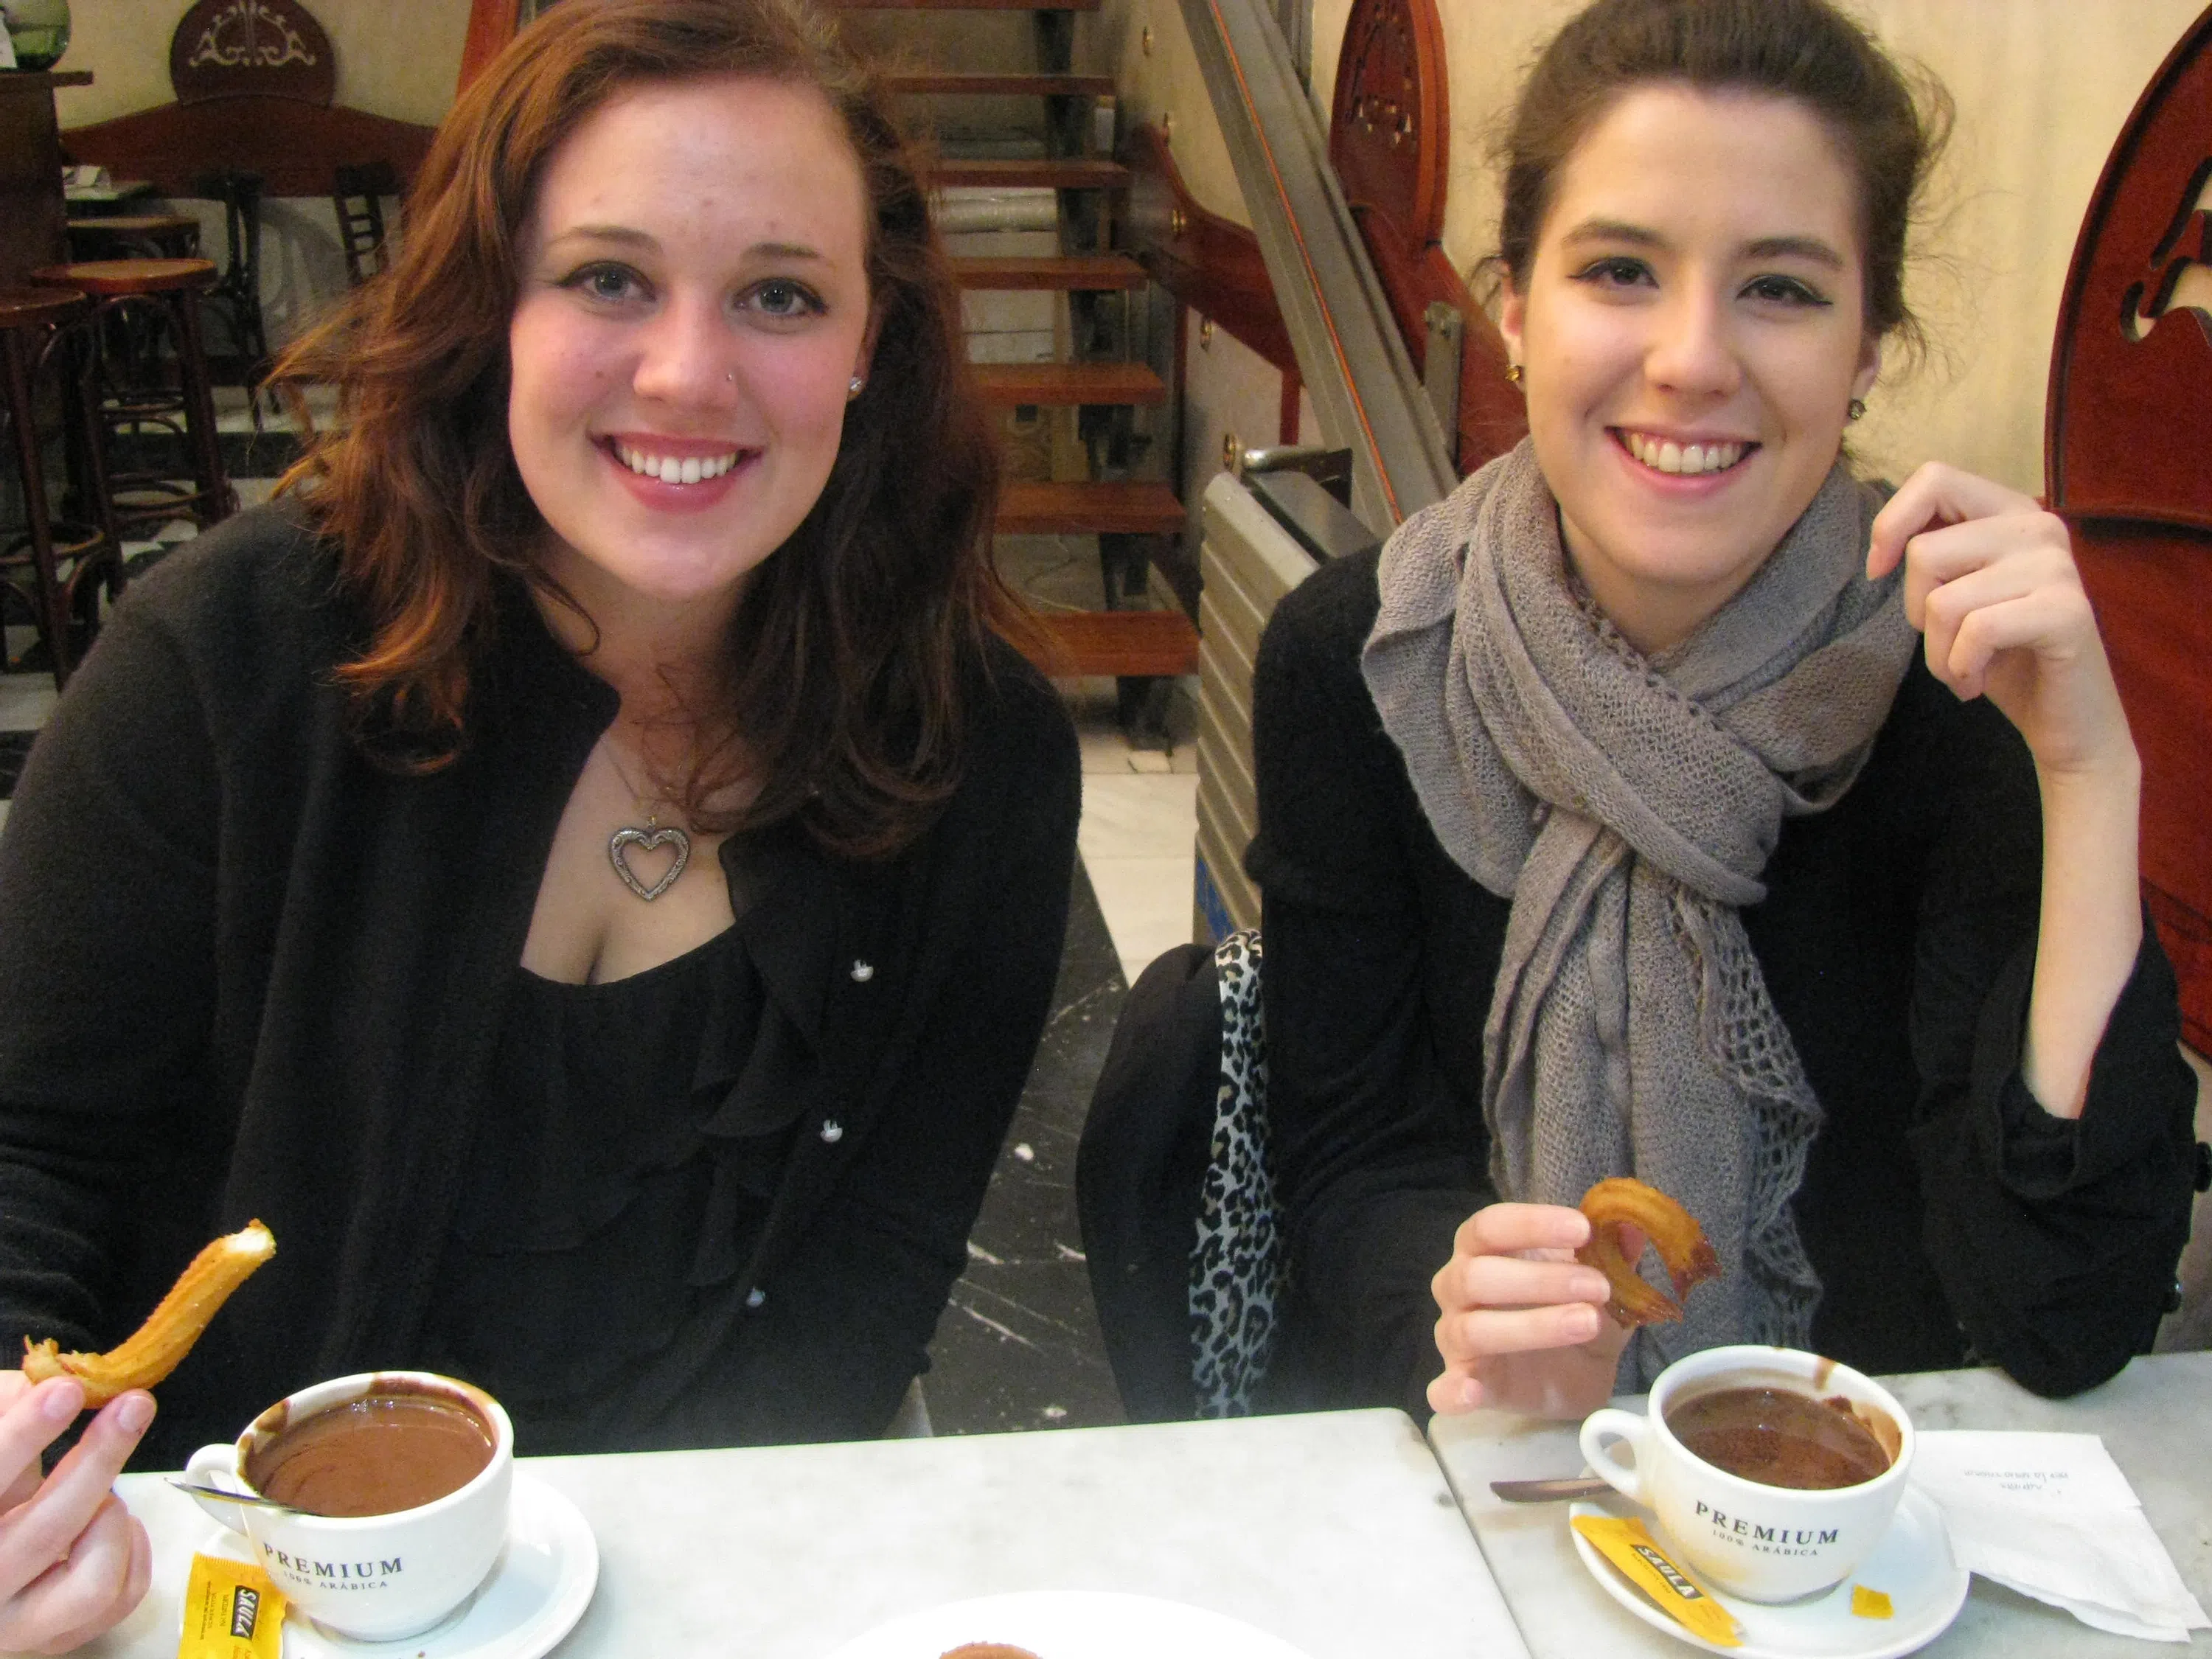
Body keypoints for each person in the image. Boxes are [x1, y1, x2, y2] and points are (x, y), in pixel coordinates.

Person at [0, 0, 1079, 1644]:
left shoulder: (977, 747)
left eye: (780, 294)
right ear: (492, 302)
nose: (687, 372)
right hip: (224, 1591)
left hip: (709, 1579)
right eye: (607, 278)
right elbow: (26, 1163)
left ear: (873, 340)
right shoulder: (223, 666)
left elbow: (879, 1257)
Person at [1250, 0, 2198, 1427]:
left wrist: (2090, 766)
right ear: (1515, 309)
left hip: (1864, 1517)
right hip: (1488, 1484)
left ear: (1870, 345)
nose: (1694, 359)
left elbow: (2061, 1313)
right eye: (1621, 270)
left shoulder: (1953, 682)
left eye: (1783, 290)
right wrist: (1453, 1309)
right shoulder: (1366, 661)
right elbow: (1353, 1171)